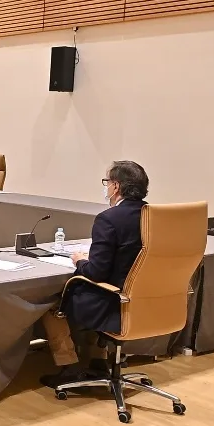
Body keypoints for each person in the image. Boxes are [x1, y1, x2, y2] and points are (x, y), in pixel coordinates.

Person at [39, 161, 150, 388]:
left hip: (115, 301)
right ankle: (98, 360)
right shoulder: (155, 216)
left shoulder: (108, 219)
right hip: (148, 302)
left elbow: (96, 272)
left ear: (116, 186)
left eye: (107, 182)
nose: (106, 186)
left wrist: (80, 261)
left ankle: (68, 366)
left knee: (51, 303)